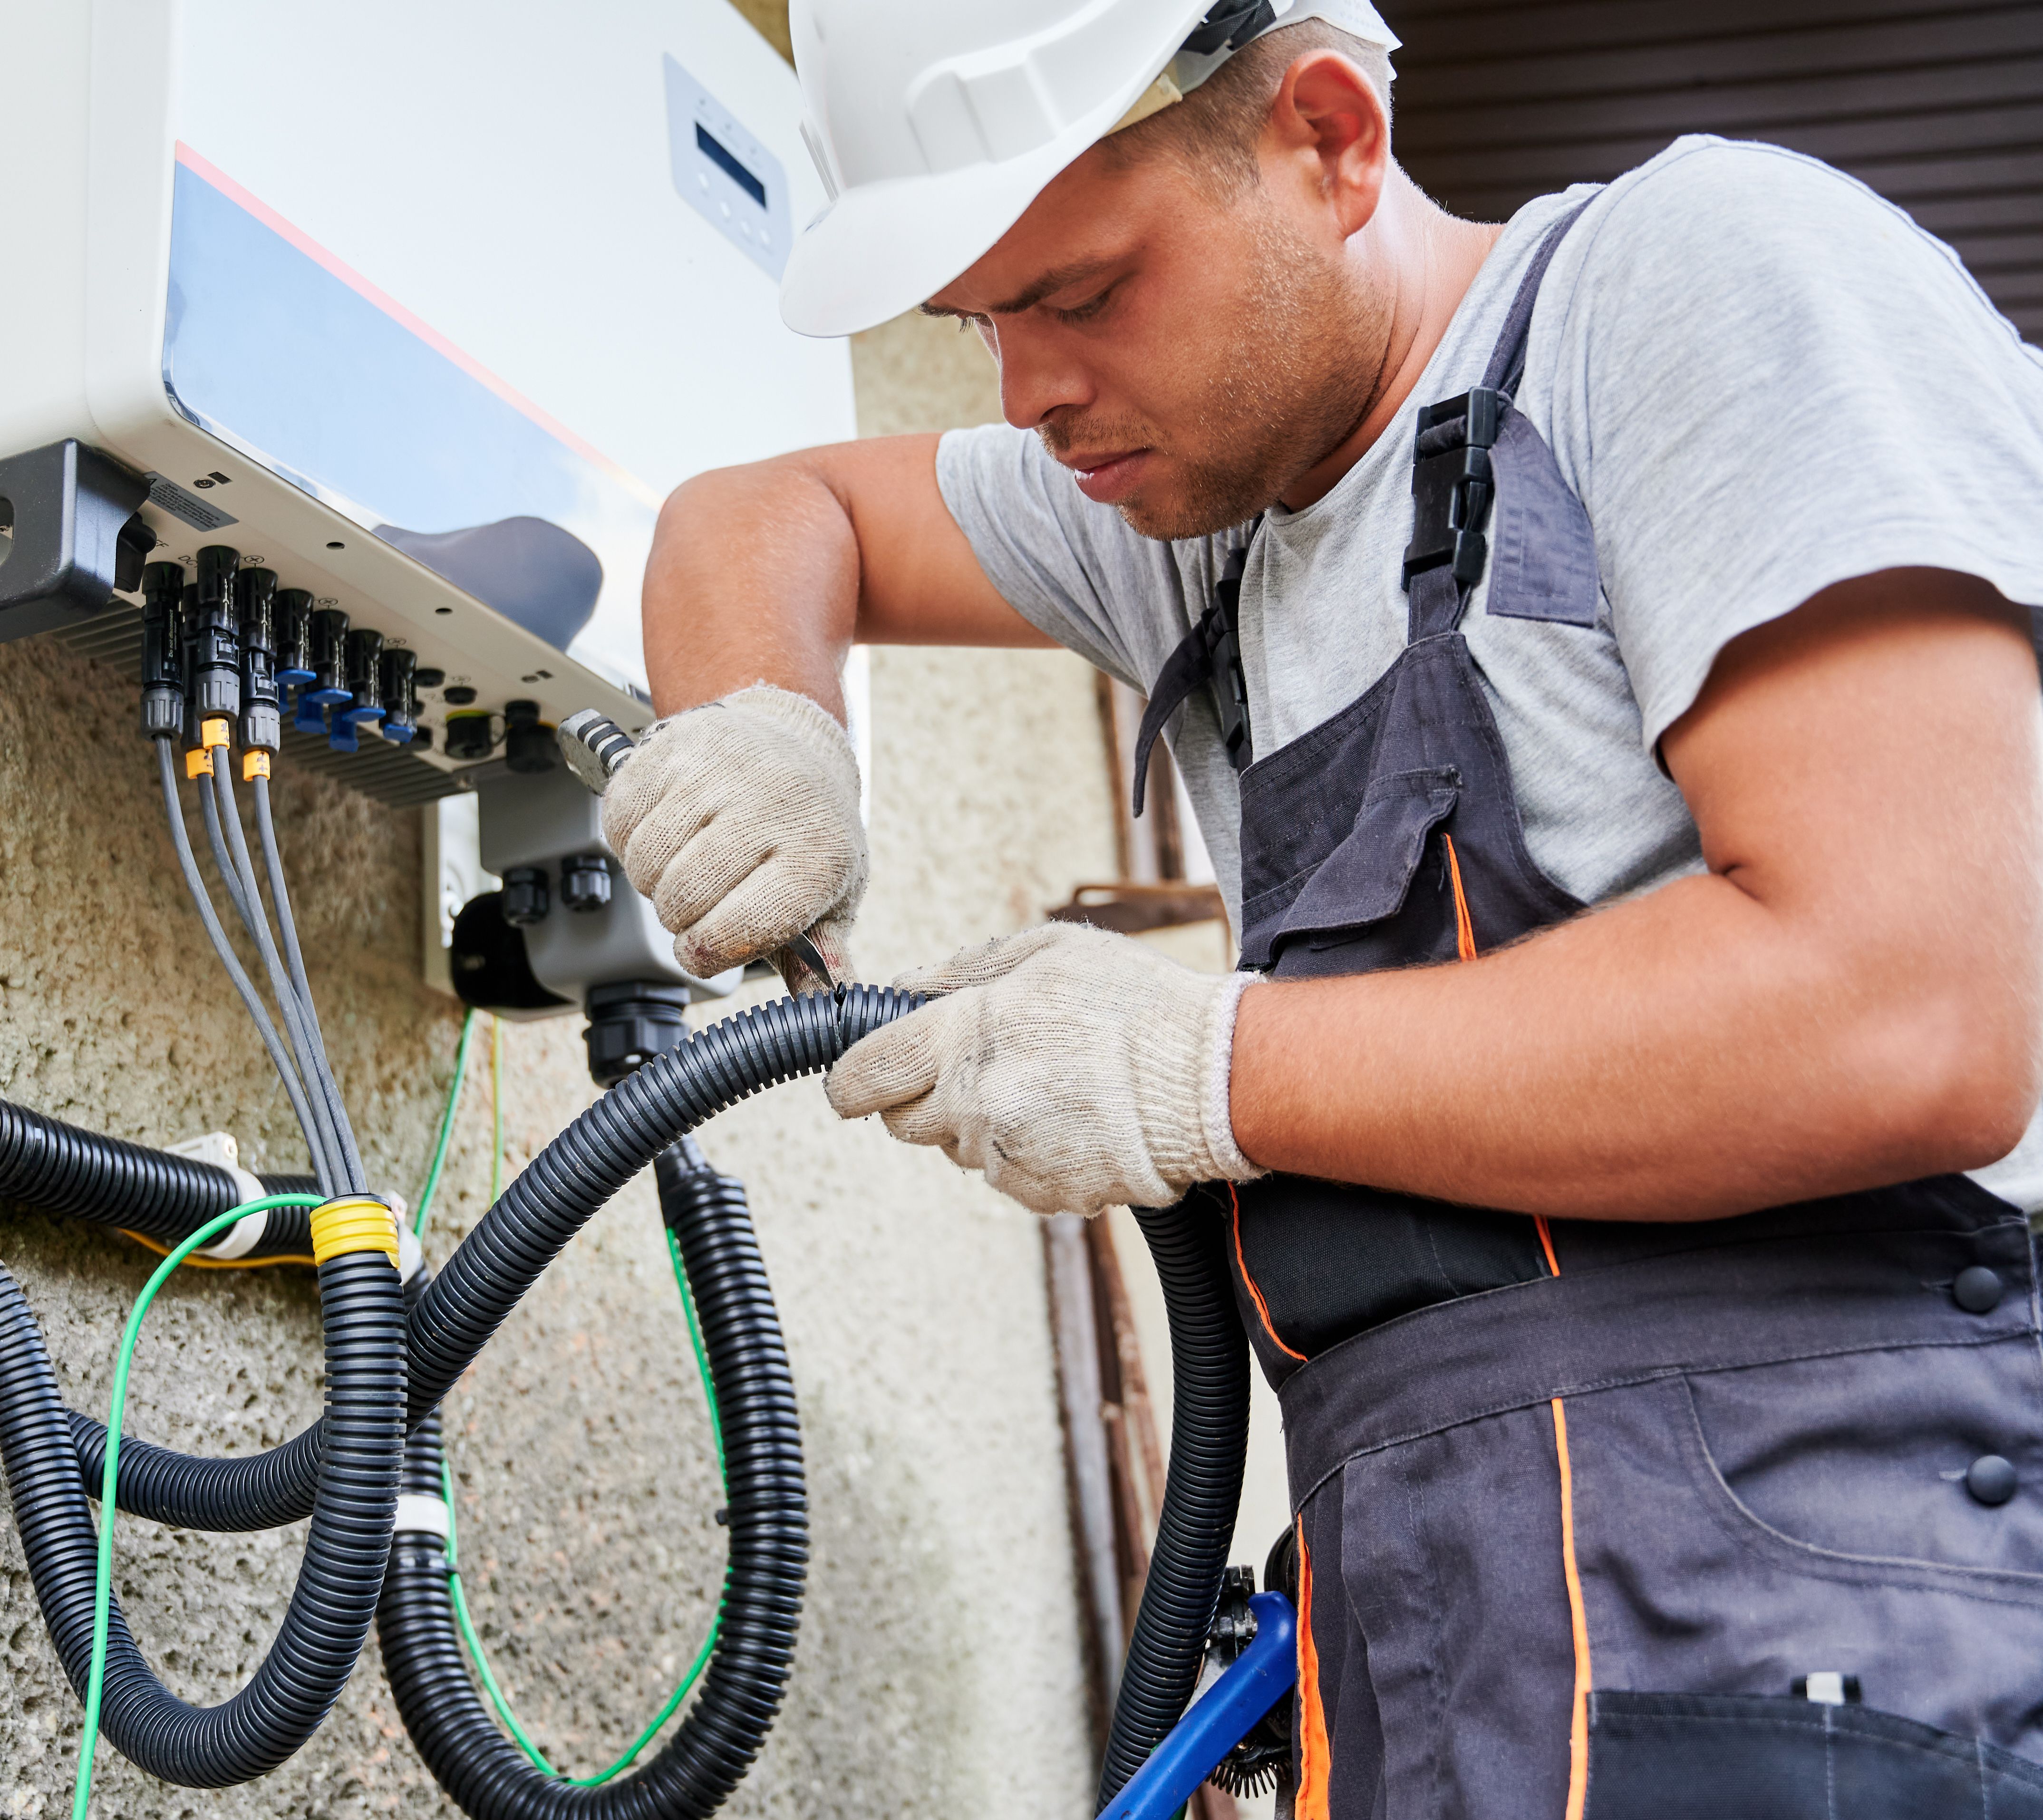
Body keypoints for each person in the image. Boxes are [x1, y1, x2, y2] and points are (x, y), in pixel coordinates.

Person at [596, 0, 2043, 1812]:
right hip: (1433, 1647)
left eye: (1080, 292)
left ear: (1331, 137)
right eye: (977, 322)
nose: (1024, 393)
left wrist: (1194, 1071)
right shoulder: (1201, 523)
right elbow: (759, 513)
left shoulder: (1684, 281)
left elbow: (1908, 1006)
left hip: (1829, 1624)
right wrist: (768, 724)